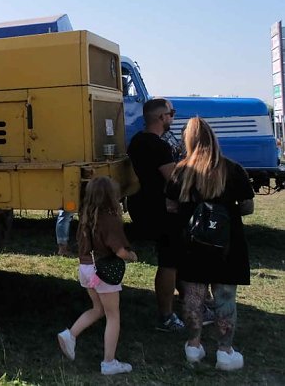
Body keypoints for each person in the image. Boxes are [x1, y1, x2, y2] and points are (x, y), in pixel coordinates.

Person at [165, 117, 254, 371]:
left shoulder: (180, 171)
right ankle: (225, 352)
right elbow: (248, 206)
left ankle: (194, 346)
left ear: (188, 141)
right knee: (225, 297)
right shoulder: (232, 169)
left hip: (192, 243)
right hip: (227, 244)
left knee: (193, 297)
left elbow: (170, 206)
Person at [57, 177, 138, 376]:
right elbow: (119, 251)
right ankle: (109, 362)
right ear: (111, 195)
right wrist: (132, 256)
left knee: (98, 308)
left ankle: (70, 335)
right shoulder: (109, 219)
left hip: (86, 269)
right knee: (113, 315)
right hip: (103, 271)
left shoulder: (86, 217)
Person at [127, 98, 185, 331]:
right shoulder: (158, 146)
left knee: (174, 257)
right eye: (171, 113)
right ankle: (166, 316)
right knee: (169, 261)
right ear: (161, 117)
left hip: (141, 205)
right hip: (161, 209)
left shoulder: (137, 141)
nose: (173, 117)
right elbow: (174, 178)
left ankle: (184, 301)